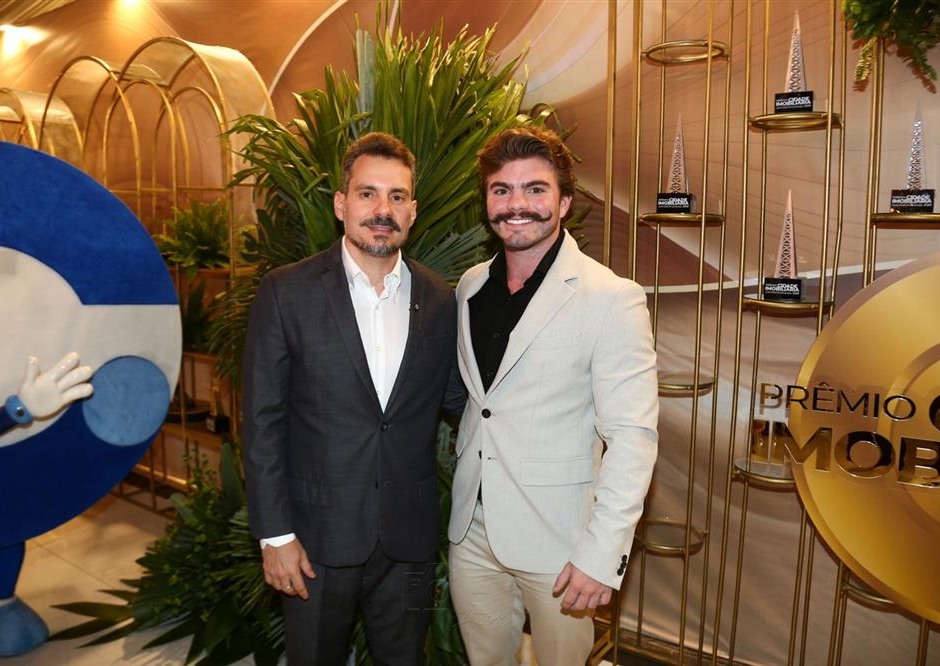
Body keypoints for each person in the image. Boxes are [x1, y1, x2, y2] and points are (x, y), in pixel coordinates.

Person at [242, 132, 465, 665]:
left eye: (396, 196)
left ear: (413, 210)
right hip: (313, 540)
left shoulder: (440, 298)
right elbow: (262, 423)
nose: (382, 210)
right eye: (368, 194)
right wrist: (275, 536)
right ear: (342, 204)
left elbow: (464, 400)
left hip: (409, 542)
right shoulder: (286, 292)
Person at [448, 126, 659, 664]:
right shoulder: (470, 287)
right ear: (487, 202)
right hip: (471, 531)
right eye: (501, 190)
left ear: (563, 202)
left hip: (562, 540)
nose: (516, 204)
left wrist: (602, 553)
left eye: (535, 189)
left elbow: (632, 438)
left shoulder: (611, 297)